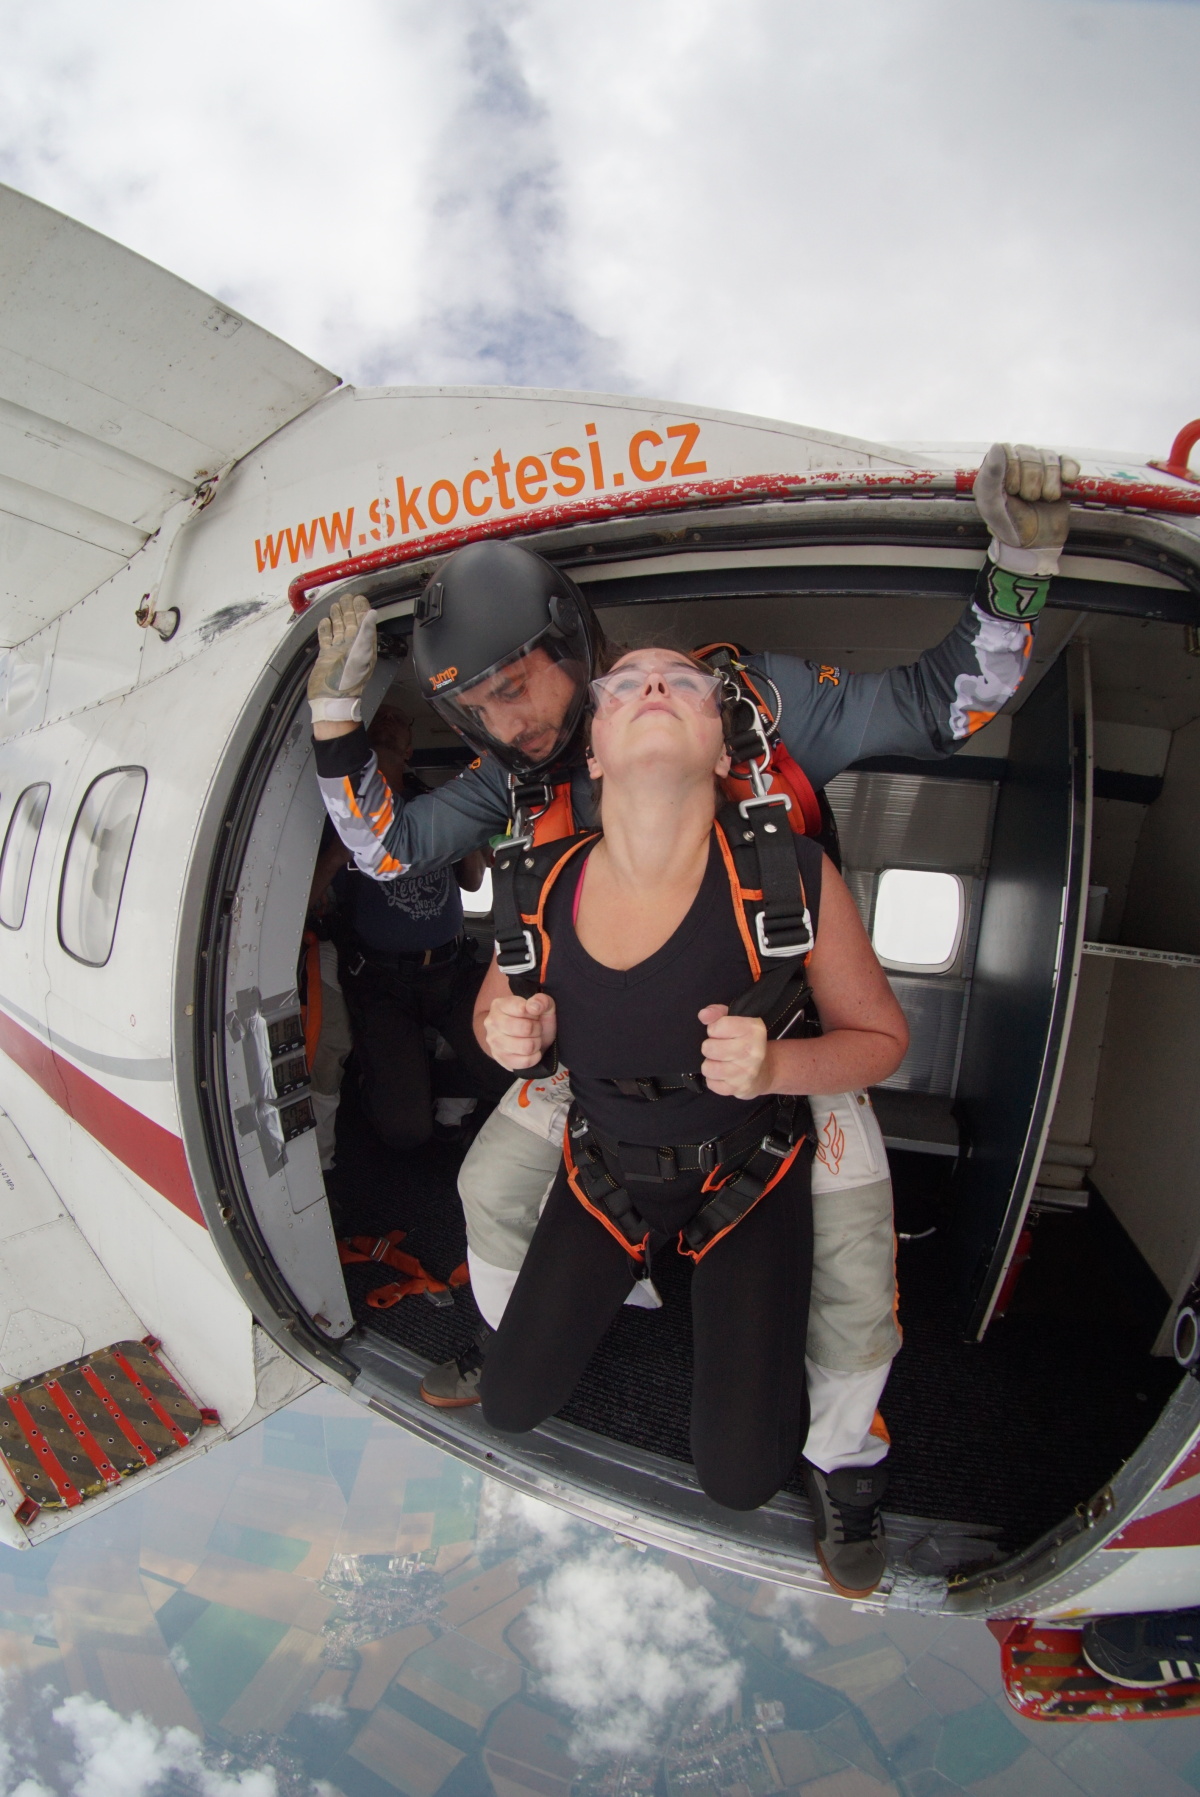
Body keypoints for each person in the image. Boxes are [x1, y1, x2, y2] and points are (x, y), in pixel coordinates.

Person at [308, 441, 1078, 1591]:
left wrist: (1017, 578)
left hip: (778, 1045)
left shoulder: (743, 713)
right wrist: (336, 716)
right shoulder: (525, 775)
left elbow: (935, 703)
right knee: (488, 1187)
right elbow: (387, 850)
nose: (503, 722)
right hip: (598, 1058)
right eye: (473, 707)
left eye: (514, 686)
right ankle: (521, 1329)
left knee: (854, 1274)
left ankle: (846, 1461)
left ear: (572, 649)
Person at [473, 647, 909, 1518]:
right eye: (624, 684)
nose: (654, 686)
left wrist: (778, 1066)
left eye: (683, 682)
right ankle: (637, 1278)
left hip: (748, 1172)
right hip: (605, 1167)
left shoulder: (789, 875)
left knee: (742, 1477)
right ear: (594, 752)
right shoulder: (538, 885)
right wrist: (507, 1033)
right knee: (508, 1403)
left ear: (719, 749)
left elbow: (882, 1041)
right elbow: (491, 1010)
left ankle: (846, 1454)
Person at [314, 701, 511, 1154]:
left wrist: (466, 840)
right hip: (382, 980)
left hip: (450, 971)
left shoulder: (435, 805)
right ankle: (391, 1085)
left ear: (408, 750)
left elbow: (473, 883)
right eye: (378, 719)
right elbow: (306, 901)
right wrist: (340, 853)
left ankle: (424, 1082)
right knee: (406, 1132)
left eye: (397, 719)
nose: (388, 720)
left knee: (510, 1068)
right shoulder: (340, 819)